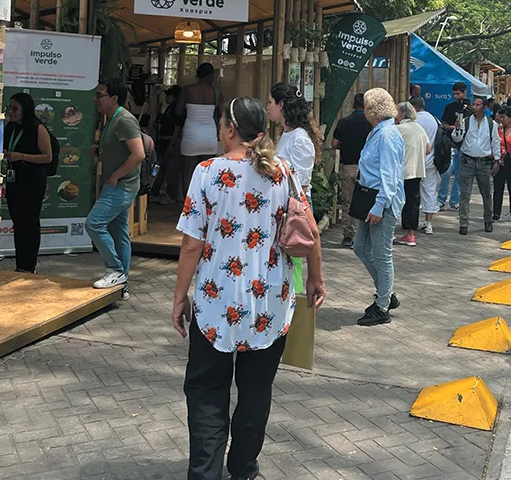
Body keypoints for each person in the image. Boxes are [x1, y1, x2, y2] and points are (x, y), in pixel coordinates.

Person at [172, 96, 326, 480]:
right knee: (256, 391)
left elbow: (192, 244)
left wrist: (179, 297)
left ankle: (205, 471)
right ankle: (243, 467)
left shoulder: (207, 171)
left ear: (229, 128)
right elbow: (309, 231)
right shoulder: (283, 171)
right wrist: (315, 278)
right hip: (270, 302)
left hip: (215, 301)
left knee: (207, 389)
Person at [352, 88, 405, 327]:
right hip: (370, 198)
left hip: (380, 201)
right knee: (360, 247)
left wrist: (379, 205)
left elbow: (389, 175)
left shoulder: (386, 135)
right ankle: (386, 292)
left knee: (382, 255)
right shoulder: (379, 132)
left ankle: (382, 304)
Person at [88, 80, 145, 290]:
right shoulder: (112, 119)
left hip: (121, 185)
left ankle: (115, 270)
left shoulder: (124, 120)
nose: (96, 99)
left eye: (100, 95)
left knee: (93, 223)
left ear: (114, 99)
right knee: (119, 232)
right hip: (118, 183)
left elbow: (139, 154)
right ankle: (122, 285)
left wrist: (115, 176)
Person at [3, 93, 53, 273]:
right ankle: (20, 265)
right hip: (14, 179)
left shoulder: (37, 128)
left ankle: (29, 265)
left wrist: (21, 156)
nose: (11, 112)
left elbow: (48, 157)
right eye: (10, 108)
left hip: (32, 180)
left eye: (15, 109)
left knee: (30, 223)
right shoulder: (10, 127)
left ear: (25, 109)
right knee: (18, 222)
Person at [452, 94, 500, 235]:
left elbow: (495, 142)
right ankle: (463, 223)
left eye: (478, 104)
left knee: (486, 193)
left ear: (484, 107)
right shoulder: (466, 121)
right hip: (467, 160)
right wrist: (457, 128)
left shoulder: (491, 124)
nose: (474, 106)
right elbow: (456, 137)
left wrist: (497, 160)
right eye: (474, 104)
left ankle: (488, 220)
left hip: (484, 162)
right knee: (465, 193)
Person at [268, 82, 320, 206]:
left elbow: (301, 185)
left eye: (270, 102)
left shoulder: (300, 139)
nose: (267, 107)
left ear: (280, 105)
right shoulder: (286, 133)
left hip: (295, 207)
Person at [332, 93, 372, 247]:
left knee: (347, 202)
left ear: (353, 105)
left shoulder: (344, 122)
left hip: (348, 166)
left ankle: (348, 236)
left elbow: (335, 144)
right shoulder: (371, 124)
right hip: (366, 169)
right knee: (366, 201)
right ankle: (364, 235)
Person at [177, 62, 221, 195]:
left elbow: (178, 110)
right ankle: (205, 207)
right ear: (210, 76)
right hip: (209, 136)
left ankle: (188, 207)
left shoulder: (187, 90)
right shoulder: (216, 92)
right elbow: (222, 114)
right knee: (207, 174)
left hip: (191, 135)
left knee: (188, 174)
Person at [394, 102, 430, 247]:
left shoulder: (398, 129)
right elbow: (428, 149)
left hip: (401, 171)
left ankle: (390, 232)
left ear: (402, 114)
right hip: (417, 170)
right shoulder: (419, 128)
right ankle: (411, 234)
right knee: (413, 202)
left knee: (396, 201)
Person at [411, 96, 440, 235]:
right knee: (429, 191)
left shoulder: (413, 121)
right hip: (430, 160)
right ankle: (428, 223)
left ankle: (409, 222)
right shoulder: (433, 119)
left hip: (414, 161)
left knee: (410, 193)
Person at [438, 82, 470, 210]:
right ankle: (441, 199)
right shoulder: (449, 107)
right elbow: (443, 124)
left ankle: (454, 201)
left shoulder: (470, 110)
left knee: (459, 174)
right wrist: (453, 127)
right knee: (446, 172)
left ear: (465, 92)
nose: (456, 96)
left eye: (458, 93)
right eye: (455, 94)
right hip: (450, 144)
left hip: (463, 145)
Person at [153, 85, 182, 205]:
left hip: (170, 141)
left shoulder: (177, 109)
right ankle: (158, 191)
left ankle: (171, 195)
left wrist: (172, 143)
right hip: (164, 141)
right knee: (161, 168)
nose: (166, 97)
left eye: (168, 95)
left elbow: (177, 127)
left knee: (171, 169)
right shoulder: (170, 108)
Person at [493, 106, 511, 223]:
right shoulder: (497, 130)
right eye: (500, 117)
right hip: (499, 163)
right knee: (497, 188)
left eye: (503, 117)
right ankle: (496, 212)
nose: (501, 119)